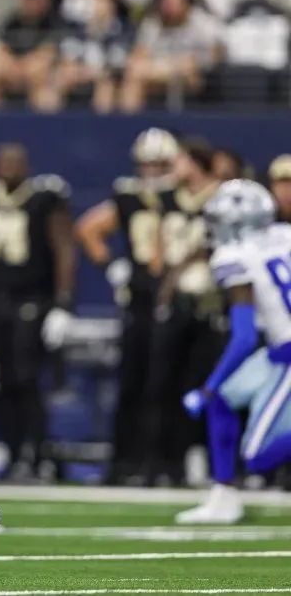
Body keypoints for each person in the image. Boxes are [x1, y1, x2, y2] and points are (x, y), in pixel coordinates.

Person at [0, 144, 75, 482]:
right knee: (0, 382)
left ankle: (34, 454)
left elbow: (64, 249)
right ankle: (13, 453)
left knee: (27, 380)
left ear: (26, 165)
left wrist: (63, 304)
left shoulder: (43, 198)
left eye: (15, 162)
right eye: (4, 162)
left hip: (32, 299)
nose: (8, 168)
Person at [177, 180, 291, 522]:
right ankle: (224, 497)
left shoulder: (233, 256)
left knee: (256, 458)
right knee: (223, 401)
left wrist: (206, 387)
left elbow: (243, 338)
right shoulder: (285, 235)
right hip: (279, 350)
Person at [75, 128, 177, 484]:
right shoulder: (129, 195)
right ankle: (126, 463)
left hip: (174, 297)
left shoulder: (182, 196)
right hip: (139, 298)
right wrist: (112, 266)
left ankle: (163, 462)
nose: (152, 170)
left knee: (166, 384)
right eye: (147, 163)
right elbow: (88, 228)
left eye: (159, 163)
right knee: (133, 382)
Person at [142, 139, 222, 486]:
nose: (174, 168)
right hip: (175, 300)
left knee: (201, 383)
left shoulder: (221, 197)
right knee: (162, 383)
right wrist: (163, 276)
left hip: (209, 302)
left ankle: (197, 456)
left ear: (195, 162)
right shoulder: (169, 199)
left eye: (180, 161)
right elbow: (159, 247)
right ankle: (161, 461)